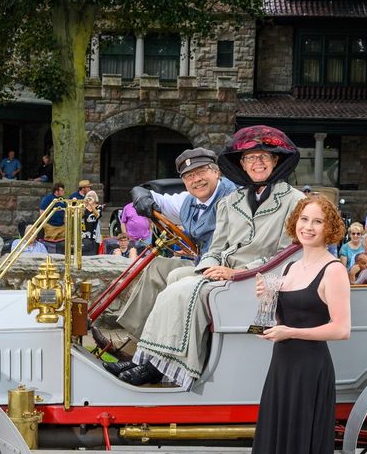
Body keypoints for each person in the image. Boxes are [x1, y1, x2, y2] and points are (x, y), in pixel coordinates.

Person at [115, 126, 306, 387]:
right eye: (251, 158)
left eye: (264, 157)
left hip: (261, 281)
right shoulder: (231, 201)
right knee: (179, 279)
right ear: (242, 164)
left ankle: (162, 365)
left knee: (181, 289)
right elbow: (215, 249)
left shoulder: (294, 201)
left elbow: (287, 254)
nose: (257, 163)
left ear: (276, 161)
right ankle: (152, 358)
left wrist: (238, 272)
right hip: (225, 273)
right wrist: (208, 268)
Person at [226, 196, 350, 454]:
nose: (308, 227)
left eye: (317, 221)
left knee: (305, 452)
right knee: (273, 449)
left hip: (310, 372)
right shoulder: (293, 266)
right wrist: (267, 300)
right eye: (303, 219)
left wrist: (289, 331)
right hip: (282, 369)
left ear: (330, 229)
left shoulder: (334, 270)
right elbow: (279, 318)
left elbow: (341, 329)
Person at [115, 149, 238, 337]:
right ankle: (135, 336)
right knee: (156, 266)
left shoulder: (234, 197)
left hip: (224, 268)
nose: (196, 179)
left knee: (178, 276)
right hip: (200, 263)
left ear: (216, 172)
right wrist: (140, 194)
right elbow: (154, 199)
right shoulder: (188, 200)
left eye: (201, 172)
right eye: (189, 176)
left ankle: (165, 342)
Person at [82, 190, 102, 254]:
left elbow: (97, 215)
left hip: (94, 231)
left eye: (92, 196)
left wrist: (91, 205)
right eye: (89, 196)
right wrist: (85, 206)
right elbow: (80, 215)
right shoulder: (83, 206)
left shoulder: (99, 206)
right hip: (84, 232)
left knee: (94, 250)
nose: (90, 197)